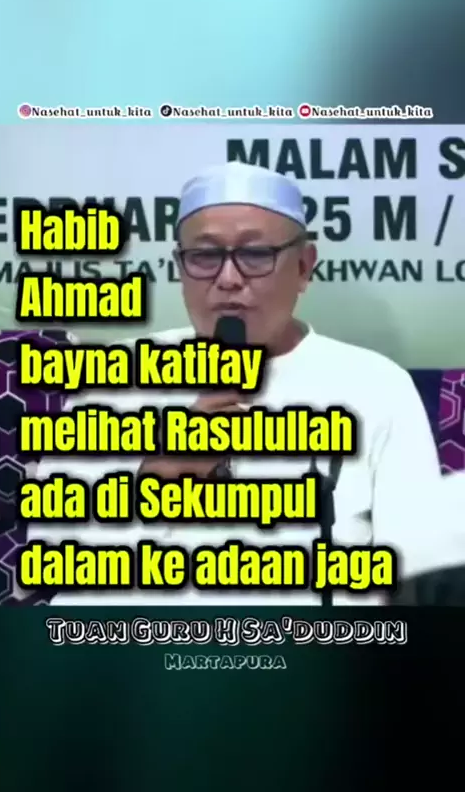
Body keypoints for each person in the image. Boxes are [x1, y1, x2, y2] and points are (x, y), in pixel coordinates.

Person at [27, 161, 450, 605]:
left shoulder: (376, 385)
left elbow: (419, 575)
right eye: (205, 257)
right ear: (180, 268)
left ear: (303, 266)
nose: (228, 279)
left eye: (256, 255)